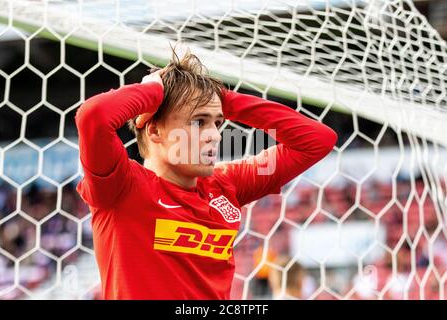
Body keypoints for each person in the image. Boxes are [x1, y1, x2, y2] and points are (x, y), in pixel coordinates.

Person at [75, 48, 338, 299]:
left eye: (218, 123)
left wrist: (224, 100)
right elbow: (93, 117)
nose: (214, 135)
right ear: (154, 131)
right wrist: (153, 90)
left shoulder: (225, 184)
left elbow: (318, 140)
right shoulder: (121, 187)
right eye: (199, 122)